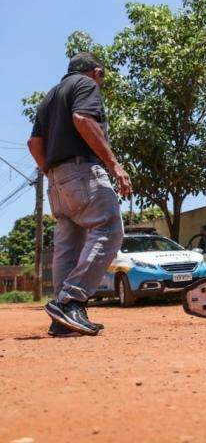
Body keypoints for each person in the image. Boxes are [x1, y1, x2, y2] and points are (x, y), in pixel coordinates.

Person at [27, 52, 132, 337]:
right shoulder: (86, 86)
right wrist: (114, 165)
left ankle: (62, 321)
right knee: (109, 227)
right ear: (96, 72)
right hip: (82, 171)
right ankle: (72, 300)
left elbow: (34, 142)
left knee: (69, 246)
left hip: (56, 180)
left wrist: (51, 174)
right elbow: (83, 119)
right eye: (102, 76)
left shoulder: (49, 98)